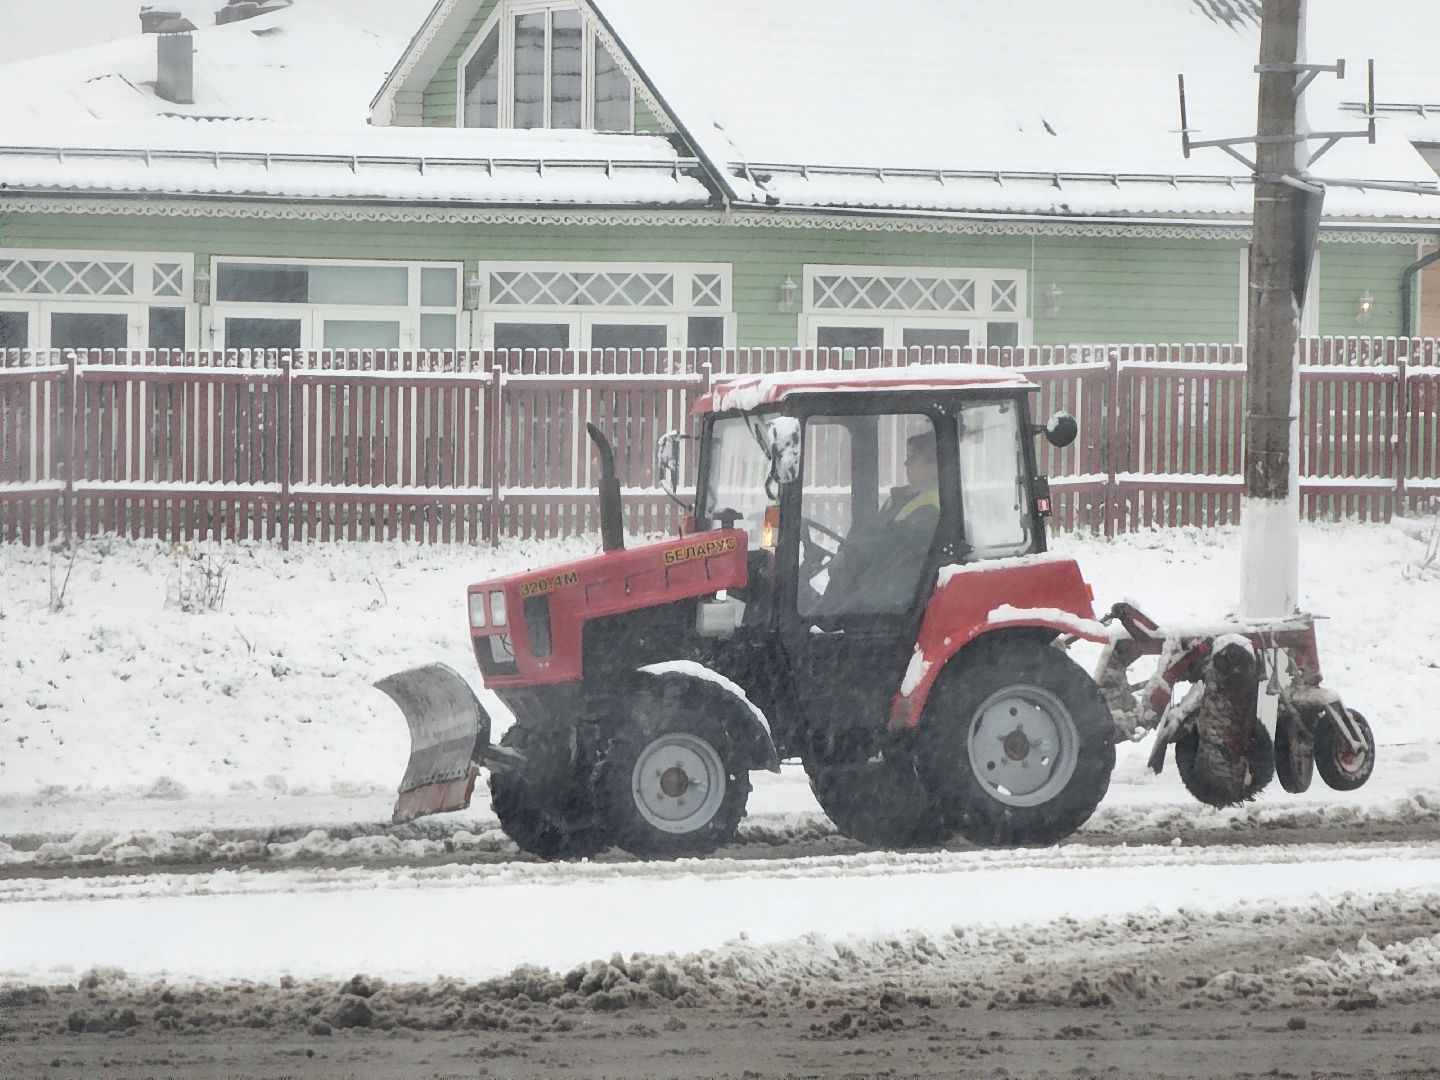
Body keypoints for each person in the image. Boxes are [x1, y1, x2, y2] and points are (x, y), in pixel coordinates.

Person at [811, 429, 940, 615]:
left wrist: (852, 557)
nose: (906, 463)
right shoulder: (901, 499)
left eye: (913, 456)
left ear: (933, 462)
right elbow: (873, 534)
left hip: (897, 593)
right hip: (884, 583)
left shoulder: (932, 506)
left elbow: (892, 544)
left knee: (837, 611)